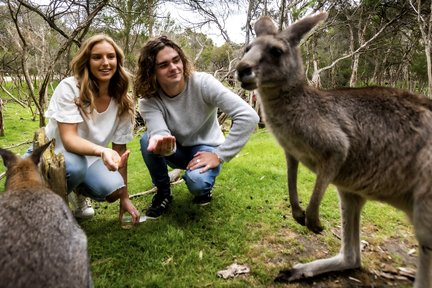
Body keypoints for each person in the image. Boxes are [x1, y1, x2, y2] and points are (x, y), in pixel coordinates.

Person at [134, 36, 259, 218]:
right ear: (151, 72)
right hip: (175, 150)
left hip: (205, 147)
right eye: (163, 65)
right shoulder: (149, 101)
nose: (174, 67)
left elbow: (248, 116)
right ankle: (163, 193)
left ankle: (202, 189)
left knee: (198, 183)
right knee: (147, 139)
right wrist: (160, 141)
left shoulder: (203, 83)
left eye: (176, 60)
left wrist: (220, 154)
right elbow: (159, 131)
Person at [42, 34, 140, 224]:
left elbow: (120, 152)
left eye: (111, 57)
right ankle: (49, 208)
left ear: (118, 61)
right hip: (57, 153)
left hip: (92, 158)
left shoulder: (123, 101)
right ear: (87, 61)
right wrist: (103, 150)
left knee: (114, 188)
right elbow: (69, 140)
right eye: (97, 57)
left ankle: (77, 192)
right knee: (75, 166)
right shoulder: (69, 88)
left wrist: (125, 198)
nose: (105, 63)